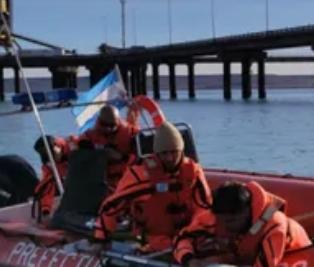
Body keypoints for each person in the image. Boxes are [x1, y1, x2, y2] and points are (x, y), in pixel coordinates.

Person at [172, 180, 311, 267]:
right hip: (243, 253)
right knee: (209, 259)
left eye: (232, 221)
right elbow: (183, 238)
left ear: (246, 212)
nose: (226, 226)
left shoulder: (273, 226)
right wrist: (191, 262)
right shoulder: (214, 216)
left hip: (287, 256)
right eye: (223, 221)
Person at [93, 121, 211, 252]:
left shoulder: (193, 171)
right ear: (157, 153)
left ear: (181, 151)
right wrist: (101, 239)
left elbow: (204, 206)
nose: (170, 158)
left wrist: (197, 232)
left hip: (187, 236)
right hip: (154, 239)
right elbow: (112, 206)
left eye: (174, 152)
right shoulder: (140, 175)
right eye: (164, 153)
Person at [70, 104, 140, 190]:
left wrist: (122, 157)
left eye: (112, 125)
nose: (108, 129)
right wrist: (98, 155)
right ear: (99, 121)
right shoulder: (88, 138)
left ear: (118, 121)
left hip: (127, 178)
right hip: (100, 182)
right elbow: (79, 160)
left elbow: (143, 158)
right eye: (104, 125)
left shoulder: (131, 134)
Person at [32, 135, 69, 223]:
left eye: (52, 156)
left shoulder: (77, 146)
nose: (51, 160)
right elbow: (46, 187)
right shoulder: (49, 165)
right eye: (47, 158)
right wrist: (46, 211)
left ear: (57, 148)